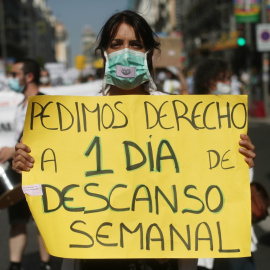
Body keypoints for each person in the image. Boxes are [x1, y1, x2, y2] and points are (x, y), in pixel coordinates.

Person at [12, 11, 255, 270]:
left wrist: (237, 160)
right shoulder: (73, 119)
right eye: (116, 44)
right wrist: (29, 167)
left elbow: (202, 179)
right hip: (95, 259)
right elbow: (50, 189)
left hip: (162, 258)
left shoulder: (178, 114)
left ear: (148, 53)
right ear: (104, 53)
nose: (125, 52)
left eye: (135, 44)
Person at [193, 58, 257, 270]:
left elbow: (245, 177)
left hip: (234, 226)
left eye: (229, 78)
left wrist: (247, 160)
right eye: (221, 79)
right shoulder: (188, 120)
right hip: (202, 228)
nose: (227, 83)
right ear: (205, 83)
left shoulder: (234, 117)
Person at [0, 59, 51, 270]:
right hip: (17, 173)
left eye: (14, 74)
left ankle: (45, 264)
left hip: (37, 173)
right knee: (17, 221)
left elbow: (46, 141)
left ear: (29, 76)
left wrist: (13, 150)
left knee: (42, 223)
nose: (10, 78)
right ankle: (14, 264)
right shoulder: (20, 104)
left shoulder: (44, 104)